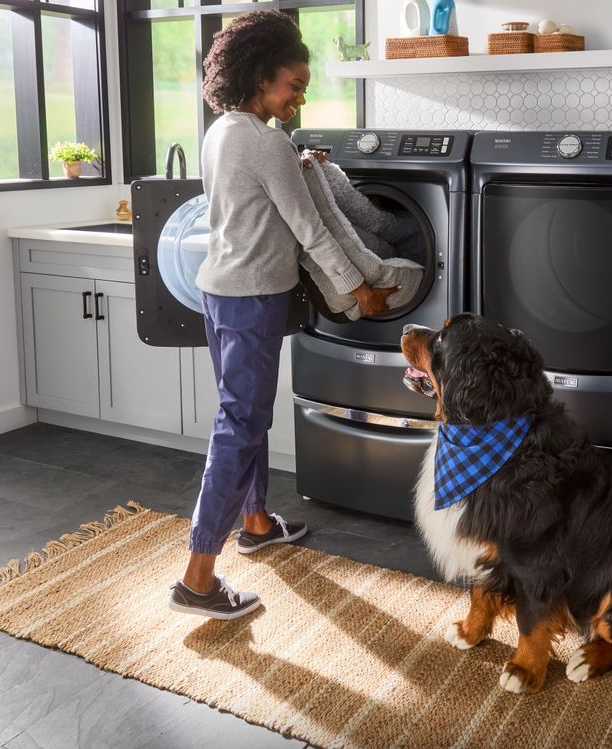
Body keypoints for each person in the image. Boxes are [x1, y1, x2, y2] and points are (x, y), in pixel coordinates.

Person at [168, 10, 395, 620]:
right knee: (239, 426)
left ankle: (257, 521)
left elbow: (256, 196)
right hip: (252, 299)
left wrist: (295, 167)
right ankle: (198, 577)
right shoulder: (266, 141)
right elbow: (313, 230)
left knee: (243, 417)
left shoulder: (226, 130)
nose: (301, 95)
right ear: (259, 77)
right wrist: (359, 291)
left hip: (219, 291)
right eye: (293, 84)